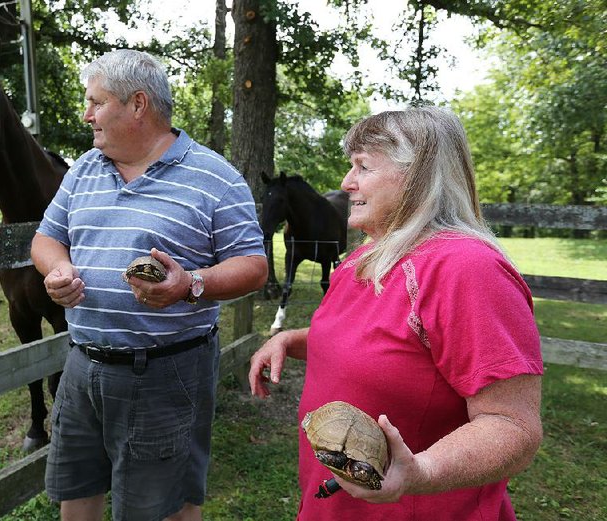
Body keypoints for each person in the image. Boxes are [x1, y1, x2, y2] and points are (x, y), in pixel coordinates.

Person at [248, 106, 543, 520]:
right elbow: (374, 345)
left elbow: (512, 426)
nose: (346, 182)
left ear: (417, 176)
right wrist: (288, 340)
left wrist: (419, 471)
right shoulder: (367, 255)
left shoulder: (466, 269)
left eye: (363, 166)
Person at [31, 49, 267, 521]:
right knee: (77, 492)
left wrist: (191, 284)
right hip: (82, 363)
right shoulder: (83, 169)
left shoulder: (216, 177)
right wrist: (56, 269)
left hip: (165, 369)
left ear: (137, 105)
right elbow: (46, 238)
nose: (86, 114)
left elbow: (253, 264)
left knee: (165, 505)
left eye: (96, 102)